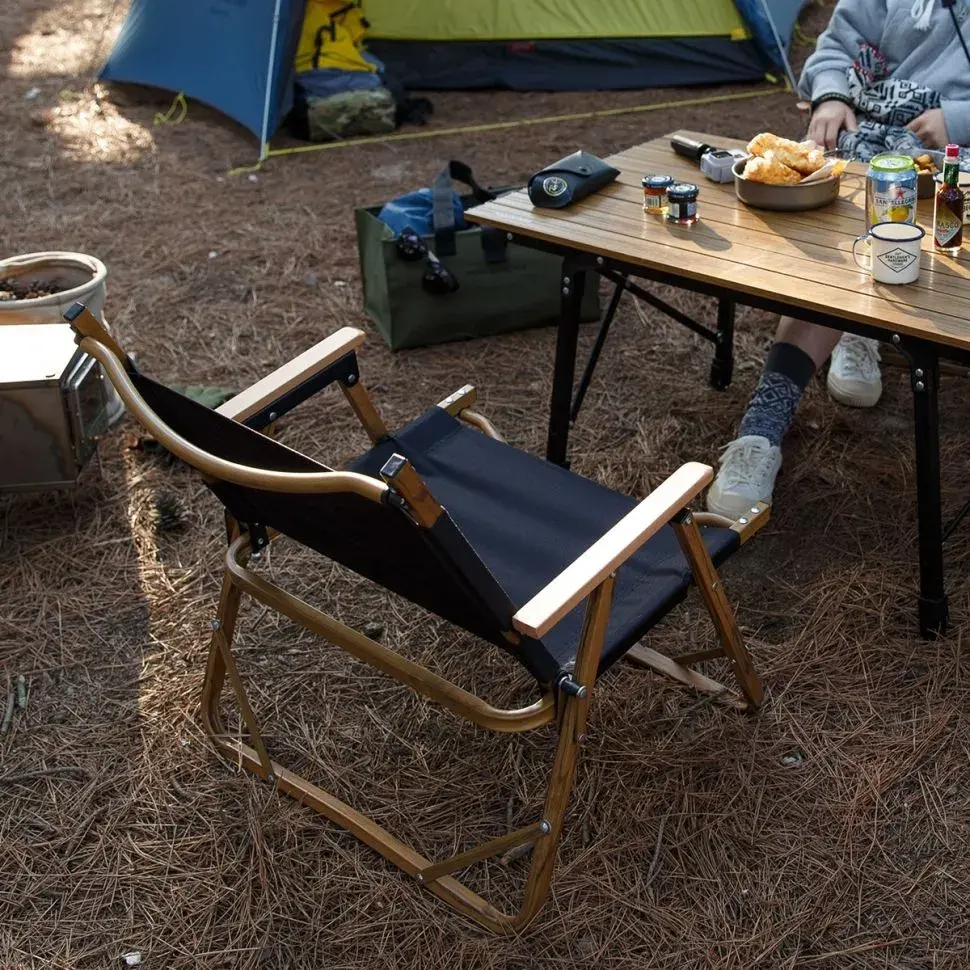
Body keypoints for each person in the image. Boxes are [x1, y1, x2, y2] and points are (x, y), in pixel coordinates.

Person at [707, 0, 970, 518]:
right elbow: (836, 46)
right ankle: (761, 432)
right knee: (831, 262)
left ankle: (865, 325)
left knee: (930, 252)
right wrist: (829, 96)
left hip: (953, 160)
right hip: (867, 142)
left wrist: (959, 119)